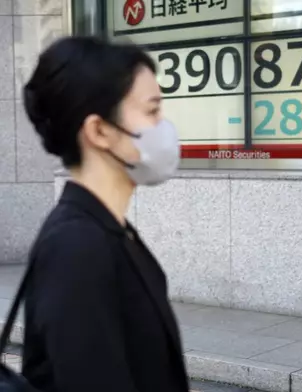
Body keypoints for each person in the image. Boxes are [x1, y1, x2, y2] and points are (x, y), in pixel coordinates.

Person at [20, 36, 189, 392]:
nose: (164, 128)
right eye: (152, 110)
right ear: (98, 131)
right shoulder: (75, 247)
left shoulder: (108, 228)